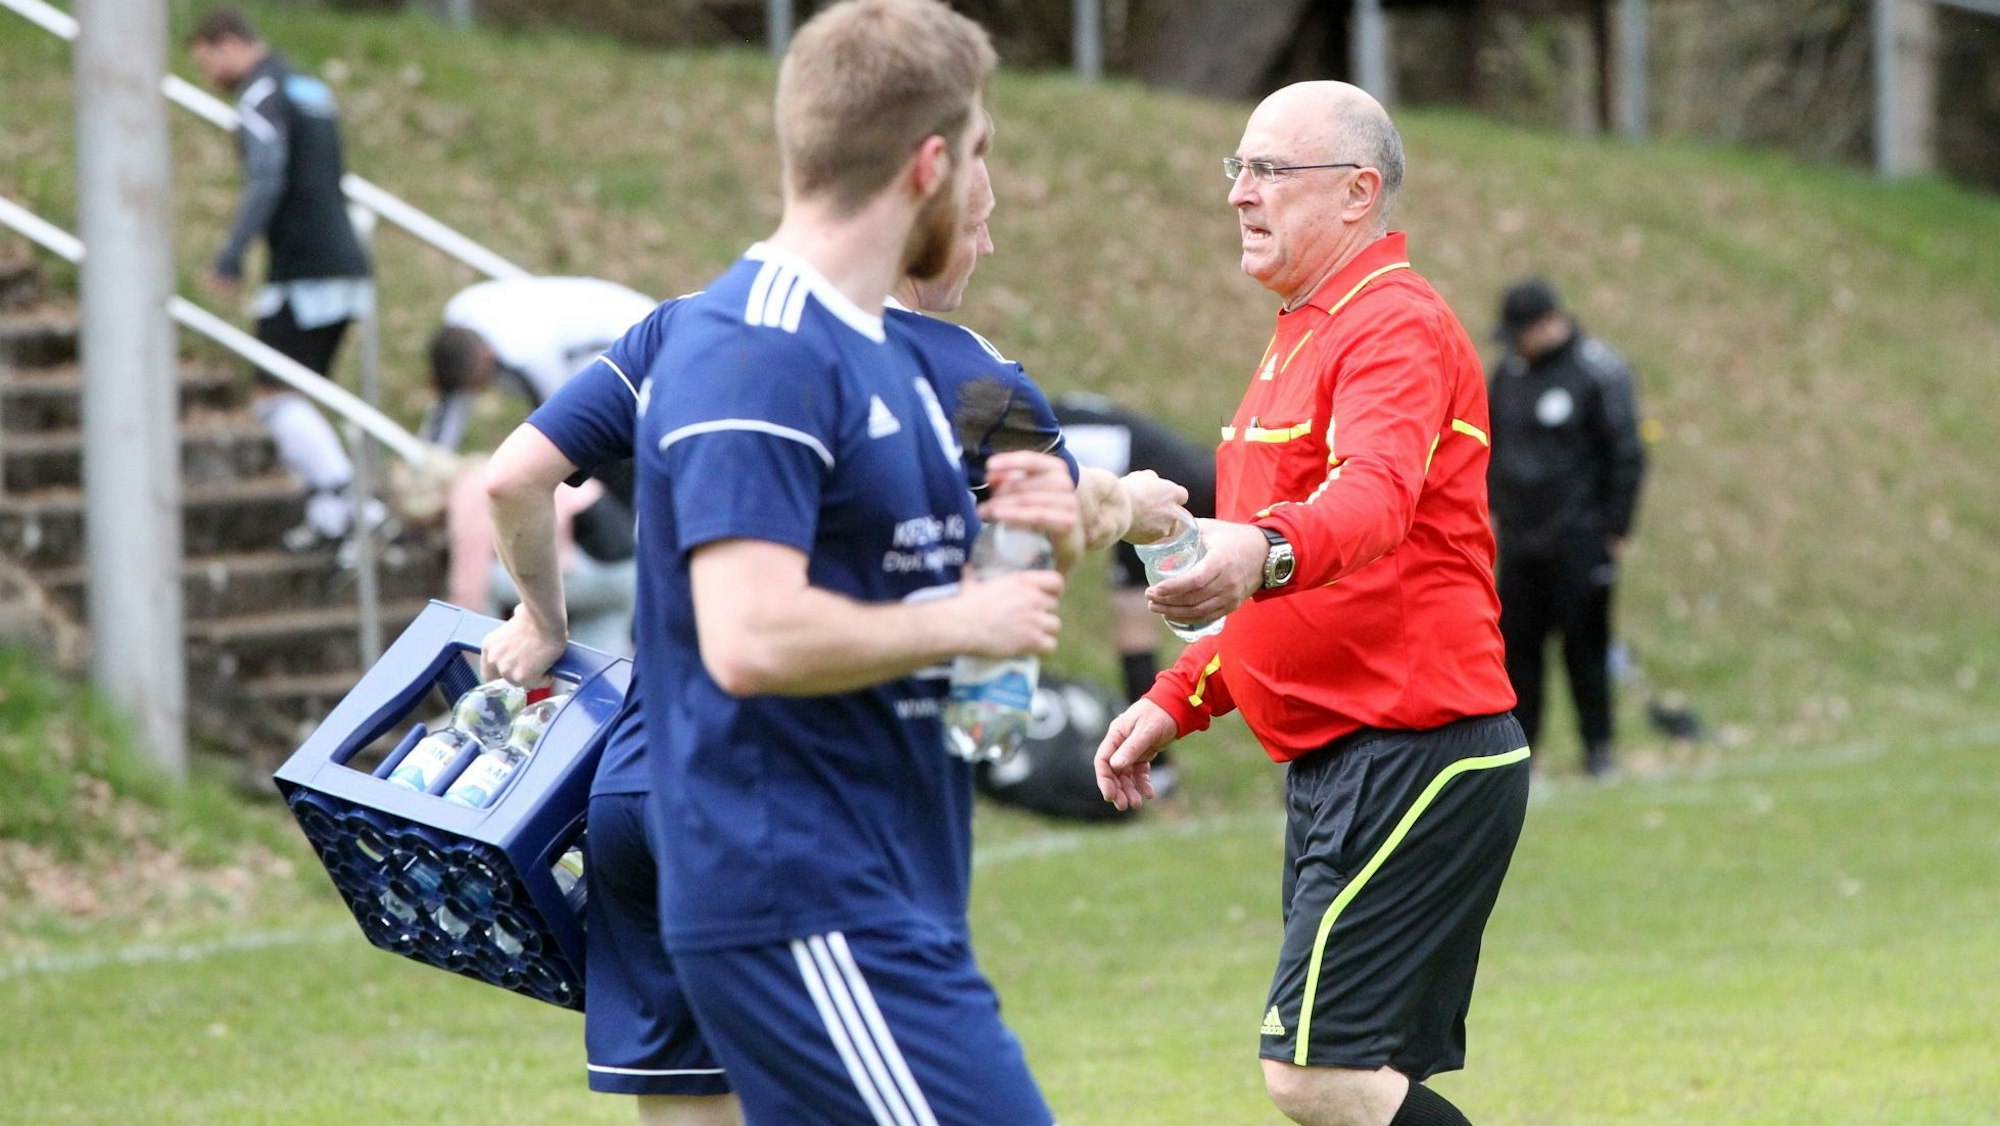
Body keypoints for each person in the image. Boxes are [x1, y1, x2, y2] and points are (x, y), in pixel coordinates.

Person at [479, 144, 1178, 1125]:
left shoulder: (687, 331)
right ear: (923, 230)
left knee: (691, 1106)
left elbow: (512, 479)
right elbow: (1037, 551)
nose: (986, 243)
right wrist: (1129, 511)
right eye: (977, 225)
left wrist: (540, 618)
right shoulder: (975, 379)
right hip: (802, 810)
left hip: (638, 789)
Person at [1094, 82, 1530, 1126]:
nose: (1240, 195)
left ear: (1354, 192)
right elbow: (1280, 594)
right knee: (1352, 1079)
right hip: (1342, 755)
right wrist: (1178, 698)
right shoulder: (1301, 331)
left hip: (1414, 747)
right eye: (1235, 171)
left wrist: (1257, 546)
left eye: (1267, 171)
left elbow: (1367, 503)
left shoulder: (1393, 326)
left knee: (1316, 1072)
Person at [188, 8, 378, 551]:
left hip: (304, 271)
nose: (209, 77)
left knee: (273, 394)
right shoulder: (306, 84)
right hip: (346, 262)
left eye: (206, 62)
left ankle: (350, 499)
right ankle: (330, 513)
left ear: (226, 44)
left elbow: (266, 178)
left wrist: (229, 256)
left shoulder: (259, 95)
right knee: (300, 388)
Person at [1487, 277, 1647, 779]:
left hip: (1580, 540)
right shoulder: (1507, 375)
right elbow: (1488, 447)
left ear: (1549, 324)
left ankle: (1598, 749)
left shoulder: (1597, 372)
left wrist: (1615, 529)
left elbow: (1625, 454)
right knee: (1518, 653)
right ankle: (1521, 756)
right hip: (1519, 541)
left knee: (1586, 648)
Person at [418, 276, 657, 453]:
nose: (481, 390)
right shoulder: (461, 314)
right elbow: (451, 406)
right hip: (588, 333)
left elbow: (561, 423)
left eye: (478, 384)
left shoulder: (526, 353)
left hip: (635, 341)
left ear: (487, 358)